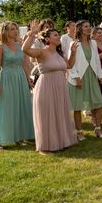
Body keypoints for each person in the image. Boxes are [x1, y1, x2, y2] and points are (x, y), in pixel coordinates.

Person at [22, 23, 78, 154]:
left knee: (59, 112)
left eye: (58, 35)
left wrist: (73, 52)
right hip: (46, 86)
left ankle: (61, 141)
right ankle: (46, 145)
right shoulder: (41, 52)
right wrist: (32, 34)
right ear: (47, 39)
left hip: (60, 87)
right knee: (47, 114)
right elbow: (25, 50)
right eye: (55, 35)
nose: (58, 37)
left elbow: (69, 65)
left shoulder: (59, 54)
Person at [0, 21, 35, 150]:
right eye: (12, 29)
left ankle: (19, 137)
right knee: (6, 108)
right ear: (4, 31)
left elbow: (24, 64)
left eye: (15, 29)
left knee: (21, 107)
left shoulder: (19, 45)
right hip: (7, 79)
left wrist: (28, 79)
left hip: (20, 78)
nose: (15, 31)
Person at [67, 20, 102, 139]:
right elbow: (70, 64)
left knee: (99, 103)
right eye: (86, 26)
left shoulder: (93, 43)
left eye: (89, 26)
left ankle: (98, 129)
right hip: (79, 77)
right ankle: (79, 131)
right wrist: (75, 77)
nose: (89, 28)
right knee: (78, 106)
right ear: (79, 29)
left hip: (92, 76)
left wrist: (101, 76)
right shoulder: (74, 44)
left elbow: (96, 61)